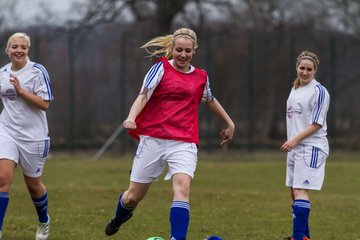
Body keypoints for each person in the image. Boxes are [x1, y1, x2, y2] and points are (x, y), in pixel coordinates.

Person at [105, 28, 235, 240]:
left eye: (188, 51)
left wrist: (229, 123)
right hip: (153, 139)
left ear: (194, 51)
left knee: (183, 188)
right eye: (179, 50)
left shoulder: (201, 76)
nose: (183, 55)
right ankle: (119, 218)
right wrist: (131, 116)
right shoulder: (160, 68)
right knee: (132, 198)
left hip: (184, 141)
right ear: (172, 49)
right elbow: (143, 95)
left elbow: (209, 99)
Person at [0, 32, 54, 240]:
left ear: (27, 50)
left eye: (23, 47)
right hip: (6, 131)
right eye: (14, 47)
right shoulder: (2, 73)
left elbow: (45, 104)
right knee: (2, 179)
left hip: (34, 136)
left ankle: (43, 221)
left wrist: (21, 91)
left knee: (33, 185)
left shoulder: (37, 71)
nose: (19, 50)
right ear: (8, 50)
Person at [280, 50, 330, 240]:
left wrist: (294, 139)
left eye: (309, 69)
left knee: (300, 190)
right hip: (296, 147)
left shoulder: (319, 91)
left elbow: (317, 124)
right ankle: (304, 236)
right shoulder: (295, 89)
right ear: (296, 67)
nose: (305, 72)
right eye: (302, 68)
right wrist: (293, 141)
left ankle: (298, 236)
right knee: (294, 192)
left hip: (311, 147)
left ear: (315, 70)